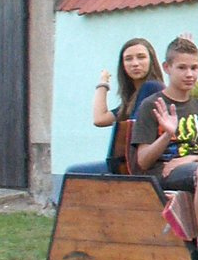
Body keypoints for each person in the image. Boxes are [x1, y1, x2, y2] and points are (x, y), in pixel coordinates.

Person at [132, 38, 198, 260]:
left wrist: (190, 158)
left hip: (191, 166)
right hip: (162, 174)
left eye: (194, 68)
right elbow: (142, 161)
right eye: (182, 68)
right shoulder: (151, 105)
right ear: (167, 68)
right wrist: (168, 135)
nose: (190, 74)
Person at [65, 38, 165, 187]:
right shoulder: (133, 98)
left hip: (142, 166)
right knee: (74, 173)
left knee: (73, 173)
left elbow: (135, 129)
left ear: (152, 61)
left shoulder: (152, 87)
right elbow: (99, 119)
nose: (135, 63)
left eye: (141, 57)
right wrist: (103, 82)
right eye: (128, 59)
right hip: (126, 164)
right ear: (123, 65)